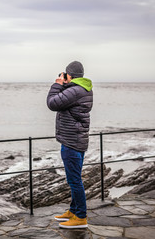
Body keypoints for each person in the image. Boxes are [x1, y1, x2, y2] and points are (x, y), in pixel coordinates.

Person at [46, 61, 93, 229]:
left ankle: (80, 217)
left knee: (74, 180)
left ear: (70, 75)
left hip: (71, 141)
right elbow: (64, 101)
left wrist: (57, 84)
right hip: (77, 139)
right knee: (75, 178)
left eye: (65, 75)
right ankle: (73, 211)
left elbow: (52, 103)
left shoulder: (74, 91)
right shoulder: (81, 89)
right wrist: (65, 85)